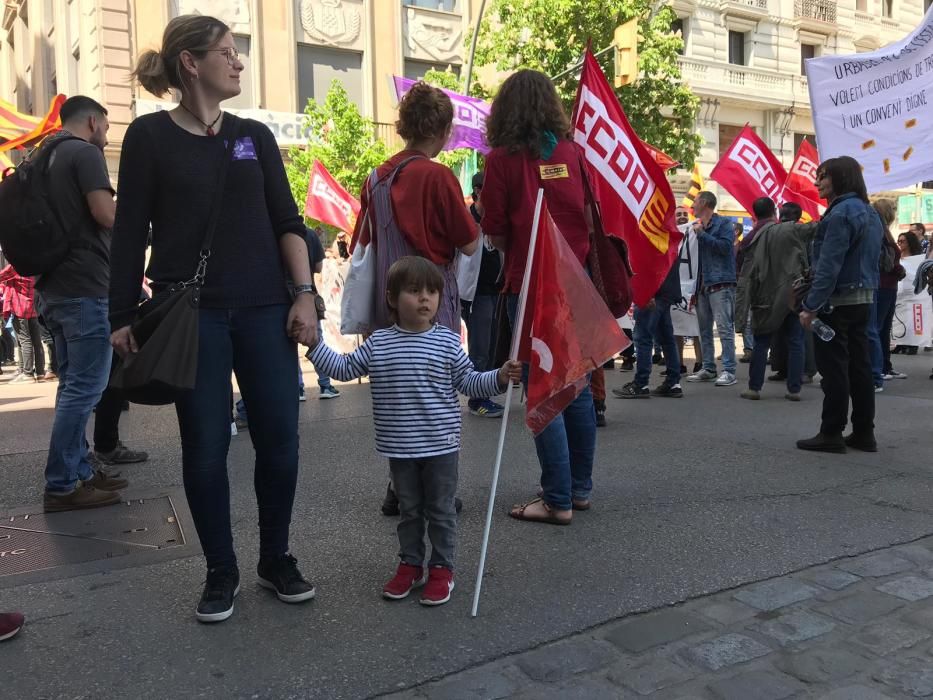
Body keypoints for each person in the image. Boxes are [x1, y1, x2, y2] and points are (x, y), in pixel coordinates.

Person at [110, 15, 318, 623]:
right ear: (190, 64)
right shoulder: (149, 137)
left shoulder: (254, 135)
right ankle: (220, 569)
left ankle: (275, 557)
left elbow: (287, 220)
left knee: (281, 441)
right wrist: (121, 313)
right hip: (190, 314)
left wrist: (304, 294)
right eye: (227, 53)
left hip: (264, 311)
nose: (239, 63)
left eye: (238, 52)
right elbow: (129, 233)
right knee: (205, 448)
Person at [309, 256, 520, 605]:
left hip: (441, 447)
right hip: (401, 449)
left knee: (440, 511)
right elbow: (344, 369)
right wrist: (314, 345)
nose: (425, 298)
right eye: (414, 291)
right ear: (392, 298)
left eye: (432, 292)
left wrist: (498, 377)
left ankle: (442, 568)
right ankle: (410, 563)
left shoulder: (448, 343)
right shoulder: (379, 343)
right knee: (409, 512)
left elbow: (469, 382)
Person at [480, 69, 596, 525]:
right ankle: (579, 490)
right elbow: (588, 215)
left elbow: (494, 229)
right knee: (576, 384)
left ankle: (557, 498)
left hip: (530, 285)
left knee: (540, 385)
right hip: (574, 284)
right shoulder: (572, 152)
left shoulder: (502, 161)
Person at [34, 96, 127, 512]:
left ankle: (79, 470)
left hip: (53, 287)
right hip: (85, 287)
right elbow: (105, 214)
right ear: (93, 122)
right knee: (86, 389)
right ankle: (62, 484)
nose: (106, 136)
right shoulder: (84, 153)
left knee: (73, 387)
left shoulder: (42, 155)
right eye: (106, 128)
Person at [351, 81, 478, 333]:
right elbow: (470, 245)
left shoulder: (375, 180)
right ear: (441, 130)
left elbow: (362, 247)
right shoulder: (439, 177)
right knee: (438, 372)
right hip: (432, 310)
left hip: (389, 311)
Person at [797, 156, 881, 453]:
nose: (816, 182)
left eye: (823, 176)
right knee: (861, 367)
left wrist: (810, 306)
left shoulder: (840, 214)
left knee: (834, 369)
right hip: (864, 298)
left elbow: (829, 267)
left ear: (840, 178)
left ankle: (831, 432)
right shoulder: (871, 213)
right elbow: (881, 259)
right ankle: (863, 433)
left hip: (837, 303)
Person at [735, 197, 816, 401]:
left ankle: (754, 388)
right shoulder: (791, 230)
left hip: (765, 297)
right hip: (793, 295)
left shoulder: (751, 237)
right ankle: (794, 389)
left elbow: (745, 274)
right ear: (774, 212)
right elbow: (816, 228)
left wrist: (741, 312)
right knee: (796, 341)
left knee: (761, 343)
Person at [462, 171, 504, 418]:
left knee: (491, 345)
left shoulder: (496, 217)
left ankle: (486, 390)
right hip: (475, 293)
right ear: (479, 190)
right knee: (480, 347)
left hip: (497, 289)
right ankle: (477, 399)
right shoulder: (468, 218)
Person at [686, 191, 738, 387]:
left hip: (720, 283)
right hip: (701, 284)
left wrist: (702, 235)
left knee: (724, 328)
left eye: (696, 201)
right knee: (704, 330)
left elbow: (725, 248)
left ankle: (729, 370)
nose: (692, 205)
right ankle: (708, 367)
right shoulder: (694, 226)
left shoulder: (723, 224)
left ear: (705, 202)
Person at [612, 255, 683, 399]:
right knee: (666, 337)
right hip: (667, 288)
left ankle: (641, 383)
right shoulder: (668, 233)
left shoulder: (651, 233)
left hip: (653, 290)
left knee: (643, 336)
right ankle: (673, 382)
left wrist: (647, 292)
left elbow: (648, 261)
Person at [873, 200, 907, 381]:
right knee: (879, 328)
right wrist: (898, 269)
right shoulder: (881, 232)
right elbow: (884, 260)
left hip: (888, 285)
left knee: (884, 328)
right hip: (883, 284)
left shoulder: (884, 231)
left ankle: (884, 366)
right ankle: (878, 368)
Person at [0, 264, 45, 383]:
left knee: (24, 342)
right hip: (32, 308)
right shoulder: (33, 267)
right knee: (36, 342)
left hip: (19, 307)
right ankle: (40, 373)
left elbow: (1, 276)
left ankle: (27, 373)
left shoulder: (15, 267)